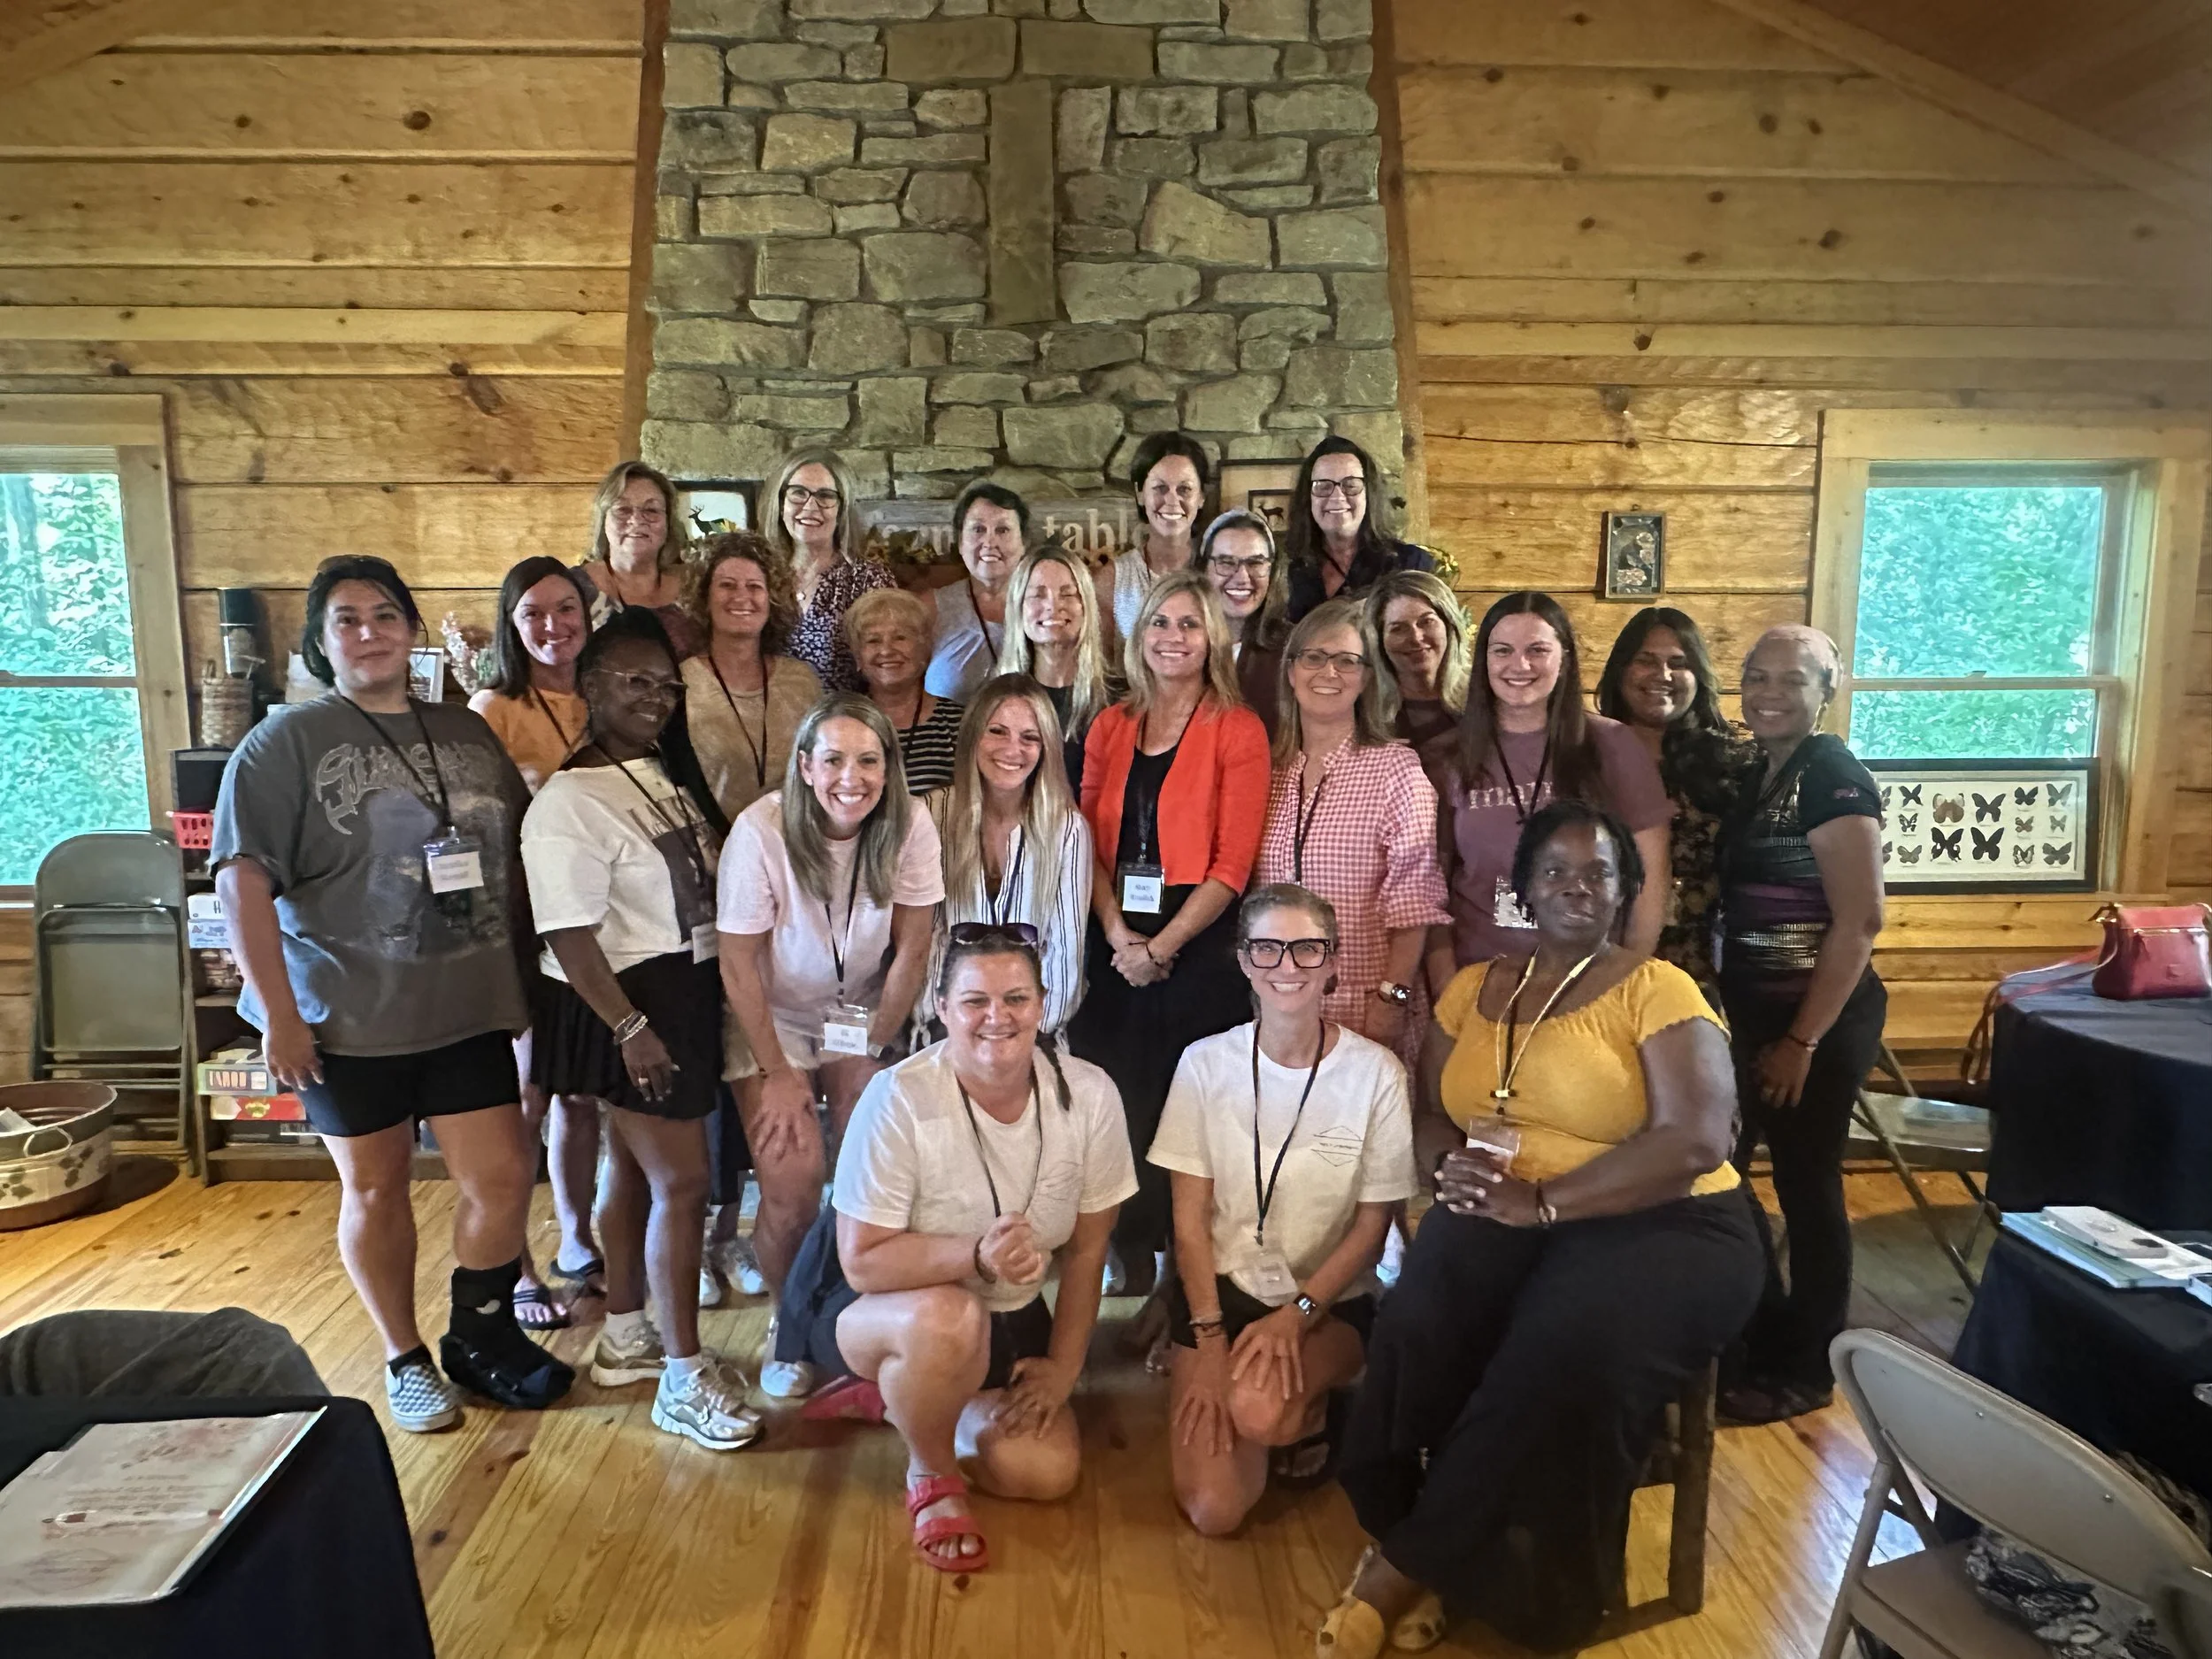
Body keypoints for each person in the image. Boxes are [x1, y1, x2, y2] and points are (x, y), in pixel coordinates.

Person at [1325, 800, 1761, 1656]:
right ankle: (1427, 1535)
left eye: (1597, 872)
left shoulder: (1656, 987)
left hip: (1669, 1220)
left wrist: (1545, 1205)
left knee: (1564, 1348)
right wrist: (1447, 1161)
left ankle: (1407, 1570)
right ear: (1520, 888)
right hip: (1509, 1208)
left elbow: (1695, 1139)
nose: (1575, 887)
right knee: (1418, 1318)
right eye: (1554, 871)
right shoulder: (1471, 990)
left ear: (1621, 890)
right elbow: (1428, 1113)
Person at [211, 556, 573, 1432]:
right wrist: (281, 1017)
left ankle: (479, 1337)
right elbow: (240, 883)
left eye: (384, 615)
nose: (369, 632)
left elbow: (517, 848)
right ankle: (404, 1356)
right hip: (346, 1016)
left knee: (501, 1175)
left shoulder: (466, 731)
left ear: (412, 630)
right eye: (347, 619)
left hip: (465, 1005)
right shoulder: (282, 744)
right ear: (320, 642)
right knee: (375, 1190)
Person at [774, 926, 1135, 1572]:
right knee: (950, 1317)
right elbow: (862, 1260)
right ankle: (929, 1468)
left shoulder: (1092, 1094)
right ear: (941, 1009)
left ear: (1043, 1004)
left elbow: (1087, 1251)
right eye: (975, 1000)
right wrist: (976, 1254)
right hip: (871, 1304)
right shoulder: (898, 1097)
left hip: (1007, 1312)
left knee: (1044, 1472)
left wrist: (1062, 1367)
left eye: (1016, 998)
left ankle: (906, 1398)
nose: (997, 1016)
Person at [520, 610, 759, 1451]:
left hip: (677, 989)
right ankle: (685, 1375)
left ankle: (627, 1334)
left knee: (633, 1168)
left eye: (666, 685)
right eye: (634, 682)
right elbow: (567, 932)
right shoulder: (566, 800)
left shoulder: (651, 769)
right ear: (590, 687)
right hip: (626, 1004)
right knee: (685, 1184)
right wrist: (629, 1027)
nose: (655, 698)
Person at [1151, 884, 1415, 1538]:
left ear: (1333, 963)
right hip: (1222, 1294)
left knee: (1261, 1411)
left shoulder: (1377, 1074)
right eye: (1268, 948)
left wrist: (1298, 1318)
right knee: (1216, 1510)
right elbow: (1188, 1223)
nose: (1287, 966)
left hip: (1324, 1300)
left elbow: (1371, 1226)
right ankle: (1267, 1409)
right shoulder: (1203, 1064)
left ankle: (1320, 1408)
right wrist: (1209, 1338)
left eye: (1306, 949)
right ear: (1244, 960)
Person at [718, 694, 945, 1397]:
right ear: (807, 767)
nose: (854, 777)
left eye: (870, 760)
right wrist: (776, 1069)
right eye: (836, 759)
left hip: (860, 1010)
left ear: (889, 767)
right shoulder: (760, 830)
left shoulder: (909, 822)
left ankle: (849, 1314)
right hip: (772, 1013)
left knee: (863, 1170)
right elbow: (737, 963)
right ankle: (790, 1326)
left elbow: (913, 948)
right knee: (791, 1179)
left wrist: (871, 1047)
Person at [1068, 569, 1271, 1297]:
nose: (1173, 637)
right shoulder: (1111, 724)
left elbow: (1232, 863)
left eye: (1189, 624)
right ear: (1138, 635)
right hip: (1113, 929)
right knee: (1118, 1097)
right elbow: (1083, 841)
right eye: (1160, 623)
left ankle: (1183, 1272)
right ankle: (1128, 1244)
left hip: (1198, 940)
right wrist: (1121, 936)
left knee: (1187, 1109)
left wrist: (1163, 946)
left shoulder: (1238, 727)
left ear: (1212, 636)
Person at [1715, 625, 1886, 1426]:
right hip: (1755, 1009)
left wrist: (1801, 1041)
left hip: (1815, 1016)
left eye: (1792, 678)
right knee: (1726, 1167)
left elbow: (1859, 921)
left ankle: (1811, 1364)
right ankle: (1765, 1326)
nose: (1769, 692)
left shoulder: (1831, 774)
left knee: (1806, 1186)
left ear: (1828, 689)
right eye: (1756, 676)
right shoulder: (1762, 770)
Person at [466, 557, 603, 1328]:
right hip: (524, 919)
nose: (553, 625)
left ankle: (577, 1239)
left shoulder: (603, 697)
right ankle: (516, 1264)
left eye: (565, 607)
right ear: (513, 625)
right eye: (533, 614)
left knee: (580, 1095)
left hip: (595, 920)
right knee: (528, 1095)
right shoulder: (494, 707)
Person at [1428, 591, 1671, 992]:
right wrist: (1447, 988)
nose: (1519, 665)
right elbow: (1430, 888)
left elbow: (1650, 879)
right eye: (1502, 650)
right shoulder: (1447, 757)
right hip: (1481, 981)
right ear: (1483, 661)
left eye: (1537, 650)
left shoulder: (1612, 745)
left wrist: (1623, 978)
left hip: (1587, 979)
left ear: (1565, 658)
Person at [1256, 600, 1448, 1064]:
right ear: (1291, 670)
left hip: (1365, 1007)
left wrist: (1391, 997)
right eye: (1314, 657)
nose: (1329, 672)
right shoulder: (1267, 770)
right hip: (1279, 1008)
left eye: (1347, 660)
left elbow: (1414, 899)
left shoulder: (1396, 770)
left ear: (1367, 677)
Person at [1595, 607, 1763, 991]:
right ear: (1621, 670)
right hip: (1602, 963)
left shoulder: (1734, 764)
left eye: (1678, 663)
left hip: (1704, 971)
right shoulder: (1587, 757)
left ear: (1698, 676)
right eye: (1646, 661)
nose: (1663, 675)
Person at [927, 675, 1093, 1037]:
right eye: (997, 731)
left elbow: (1066, 953)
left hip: (1034, 1035)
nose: (1012, 749)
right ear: (972, 735)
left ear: (1046, 747)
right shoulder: (930, 814)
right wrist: (949, 1025)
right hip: (944, 1031)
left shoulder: (1067, 830)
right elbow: (926, 940)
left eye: (1030, 737)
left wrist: (1024, 1035)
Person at [680, 531, 824, 825]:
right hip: (708, 853)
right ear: (704, 598)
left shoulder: (803, 681)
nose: (742, 597)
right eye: (727, 585)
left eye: (755, 586)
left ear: (772, 600)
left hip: (791, 851)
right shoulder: (681, 682)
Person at [771, 449, 896, 692]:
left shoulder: (868, 581)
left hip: (843, 721)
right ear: (780, 503)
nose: (810, 506)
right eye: (798, 493)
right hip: (769, 723)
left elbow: (888, 670)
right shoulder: (761, 577)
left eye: (825, 496)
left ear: (841, 509)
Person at [997, 542, 1115, 798]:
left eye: (1068, 593)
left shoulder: (1120, 699)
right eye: (1038, 594)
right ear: (1019, 607)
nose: (1053, 606)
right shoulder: (994, 701)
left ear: (1086, 605)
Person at [1281, 435, 1434, 623]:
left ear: (1369, 494)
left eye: (1351, 485)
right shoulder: (1288, 570)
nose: (1337, 497)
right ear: (1308, 498)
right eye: (1323, 486)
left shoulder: (1410, 564)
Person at [572, 460, 703, 658]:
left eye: (651, 510)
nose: (636, 519)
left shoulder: (693, 588)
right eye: (623, 509)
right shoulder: (574, 588)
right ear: (603, 520)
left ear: (668, 522)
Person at [849, 587, 964, 795]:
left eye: (900, 637)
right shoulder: (843, 722)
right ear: (858, 657)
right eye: (873, 640)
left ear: (924, 649)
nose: (886, 650)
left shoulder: (958, 722)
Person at [1363, 568, 1468, 793]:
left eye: (1426, 622)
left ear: (1449, 624)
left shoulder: (1486, 696)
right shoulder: (1367, 714)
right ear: (1380, 640)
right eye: (1398, 629)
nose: (1416, 638)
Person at [924, 480, 1027, 703]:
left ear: (1023, 543)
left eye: (1003, 530)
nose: (989, 542)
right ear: (961, 543)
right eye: (978, 529)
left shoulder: (1044, 606)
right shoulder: (929, 609)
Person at [1103, 431, 1210, 644]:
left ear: (1201, 497)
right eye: (1160, 488)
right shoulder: (1111, 582)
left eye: (1185, 489)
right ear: (1140, 493)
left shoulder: (1219, 571)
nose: (1172, 500)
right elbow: (1103, 671)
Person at [1195, 508, 1290, 733]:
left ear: (1273, 572)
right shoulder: (1180, 643)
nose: (1242, 578)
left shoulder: (1293, 647)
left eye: (1256, 563)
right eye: (1226, 562)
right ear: (1203, 570)